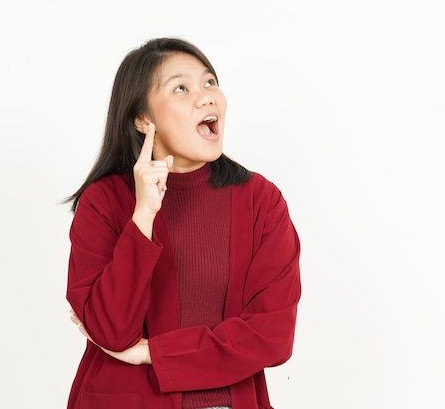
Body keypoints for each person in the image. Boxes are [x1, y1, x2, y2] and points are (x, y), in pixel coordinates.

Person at [64, 37, 301, 409]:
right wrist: (143, 216)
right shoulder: (105, 202)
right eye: (181, 88)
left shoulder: (261, 201)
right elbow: (110, 331)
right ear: (143, 119)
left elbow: (272, 335)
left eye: (209, 83)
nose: (206, 96)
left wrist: (153, 353)